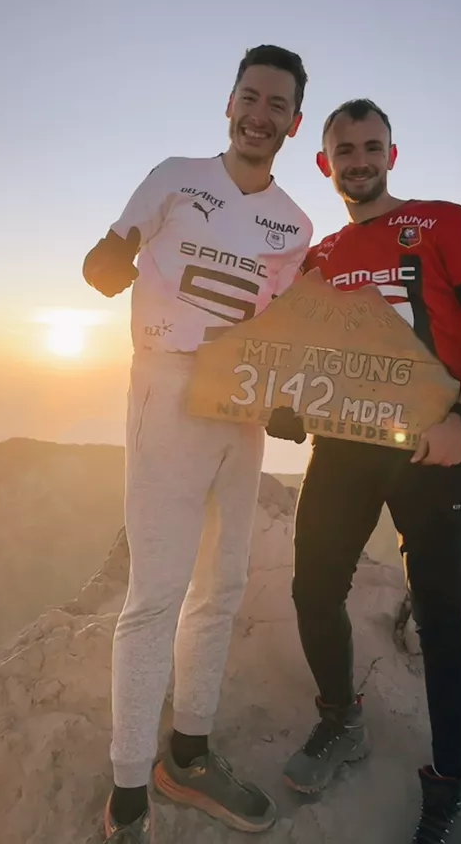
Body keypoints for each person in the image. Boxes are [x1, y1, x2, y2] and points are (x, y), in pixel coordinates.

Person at [268, 98, 461, 844]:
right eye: (344, 149)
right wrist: (287, 405)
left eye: (371, 145)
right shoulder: (322, 258)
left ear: (392, 153)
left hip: (434, 451)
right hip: (344, 448)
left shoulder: (447, 223)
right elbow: (304, 356)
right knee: (313, 589)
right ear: (325, 163)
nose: (358, 160)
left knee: (441, 619)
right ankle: (341, 721)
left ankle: (448, 779)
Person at [83, 45, 313, 843]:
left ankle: (187, 756)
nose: (260, 114)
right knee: (154, 596)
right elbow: (112, 249)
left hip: (240, 409)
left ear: (294, 121)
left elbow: (280, 333)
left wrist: (284, 403)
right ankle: (127, 797)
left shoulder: (296, 222)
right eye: (250, 96)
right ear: (229, 103)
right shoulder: (177, 177)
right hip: (168, 389)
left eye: (277, 104)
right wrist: (104, 263)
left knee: (222, 586)